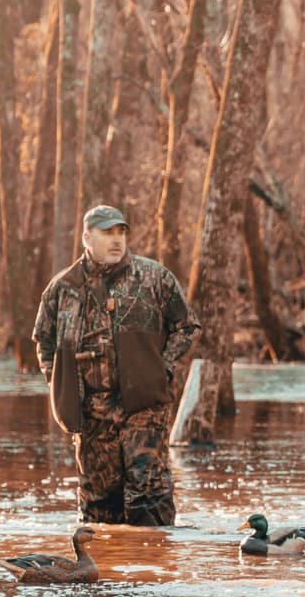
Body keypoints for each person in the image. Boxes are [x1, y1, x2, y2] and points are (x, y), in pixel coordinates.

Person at [34, 205, 200, 526]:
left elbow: (187, 327)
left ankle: (154, 568)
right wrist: (60, 387)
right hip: (91, 411)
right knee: (99, 506)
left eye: (120, 232)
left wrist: (161, 369)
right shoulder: (62, 288)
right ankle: (108, 570)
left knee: (148, 496)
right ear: (86, 238)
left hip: (145, 407)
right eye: (107, 232)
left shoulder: (154, 278)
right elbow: (44, 341)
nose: (116, 240)